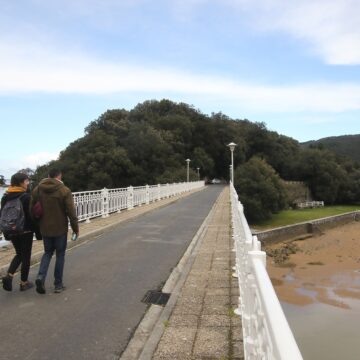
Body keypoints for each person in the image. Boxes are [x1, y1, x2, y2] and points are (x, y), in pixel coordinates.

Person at [31, 168, 79, 294]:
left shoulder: (37, 189)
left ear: (48, 176)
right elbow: (71, 212)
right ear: (59, 176)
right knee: (60, 255)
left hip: (45, 229)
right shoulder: (64, 190)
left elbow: (32, 210)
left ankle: (40, 277)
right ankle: (58, 285)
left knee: (47, 253)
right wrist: (75, 229)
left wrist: (39, 225)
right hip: (60, 228)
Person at [1, 172, 41, 291]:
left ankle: (9, 276)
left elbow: (2, 214)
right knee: (26, 257)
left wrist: (6, 231)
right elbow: (31, 216)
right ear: (21, 183)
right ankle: (24, 283)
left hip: (11, 230)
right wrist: (37, 231)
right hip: (25, 231)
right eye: (27, 181)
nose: (28, 183)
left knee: (19, 253)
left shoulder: (5, 197)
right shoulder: (26, 197)